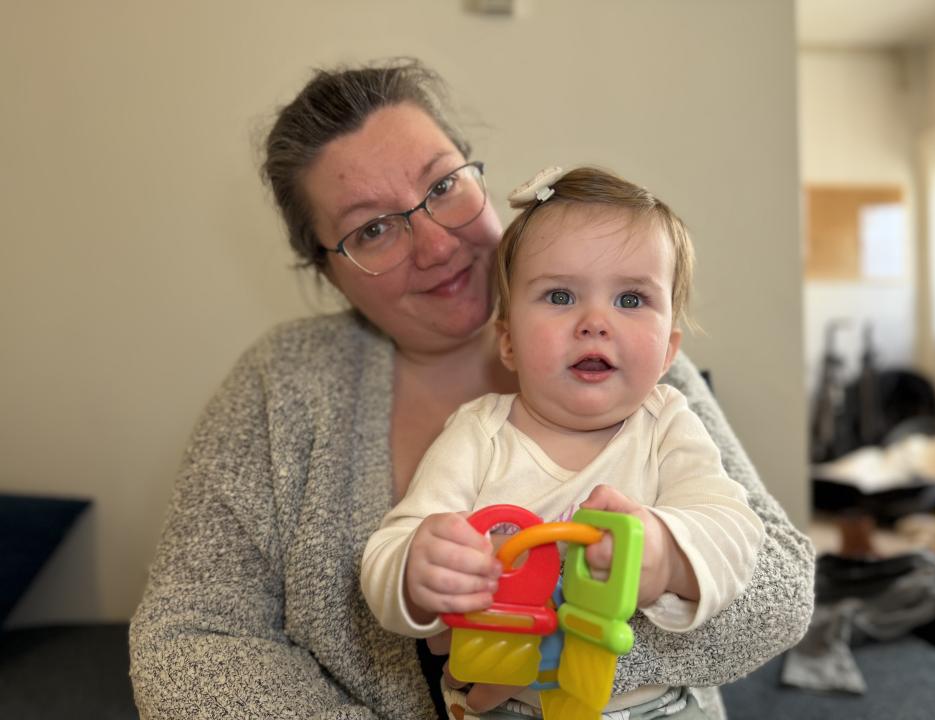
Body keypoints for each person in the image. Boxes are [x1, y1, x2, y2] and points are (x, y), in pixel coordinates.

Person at [128, 59, 815, 720]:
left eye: (443, 186)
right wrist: (419, 582)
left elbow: (780, 589)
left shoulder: (634, 372)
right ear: (328, 273)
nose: (434, 244)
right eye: (372, 229)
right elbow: (189, 640)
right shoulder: (287, 385)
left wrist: (551, 652)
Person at [361, 166, 765, 719]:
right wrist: (417, 571)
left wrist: (668, 554)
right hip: (506, 707)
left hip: (658, 708)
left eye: (630, 300)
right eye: (559, 295)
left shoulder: (667, 425)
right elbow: (389, 550)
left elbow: (736, 529)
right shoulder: (477, 434)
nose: (595, 322)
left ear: (669, 351)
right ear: (507, 341)